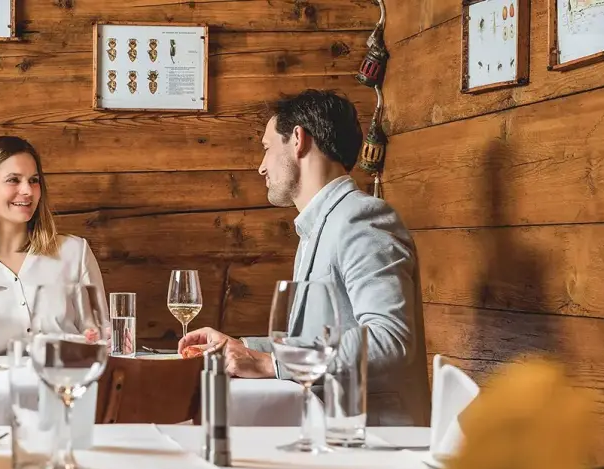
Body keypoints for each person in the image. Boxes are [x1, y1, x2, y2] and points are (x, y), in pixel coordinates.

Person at [178, 89, 430, 426]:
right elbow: (314, 339)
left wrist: (269, 364)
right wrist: (243, 346)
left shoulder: (360, 218)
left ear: (297, 139)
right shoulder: (320, 226)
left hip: (374, 439)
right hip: (329, 428)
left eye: (267, 149)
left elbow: (390, 339)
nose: (261, 167)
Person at [0, 136, 106, 356]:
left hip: (62, 385)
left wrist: (103, 341)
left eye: (34, 180)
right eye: (13, 180)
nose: (28, 191)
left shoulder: (75, 252)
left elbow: (101, 335)